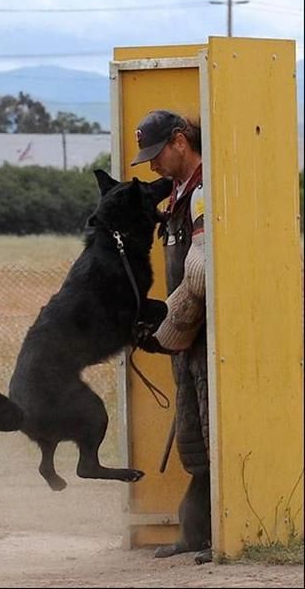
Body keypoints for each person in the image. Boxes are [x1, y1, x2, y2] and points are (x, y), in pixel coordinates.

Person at [131, 109, 212, 564]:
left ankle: (219, 533)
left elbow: (200, 273)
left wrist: (168, 325)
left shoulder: (203, 192)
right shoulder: (181, 193)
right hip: (187, 338)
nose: (153, 165)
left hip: (205, 336)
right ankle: (197, 535)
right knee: (193, 440)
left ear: (181, 141)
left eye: (157, 153)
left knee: (209, 432)